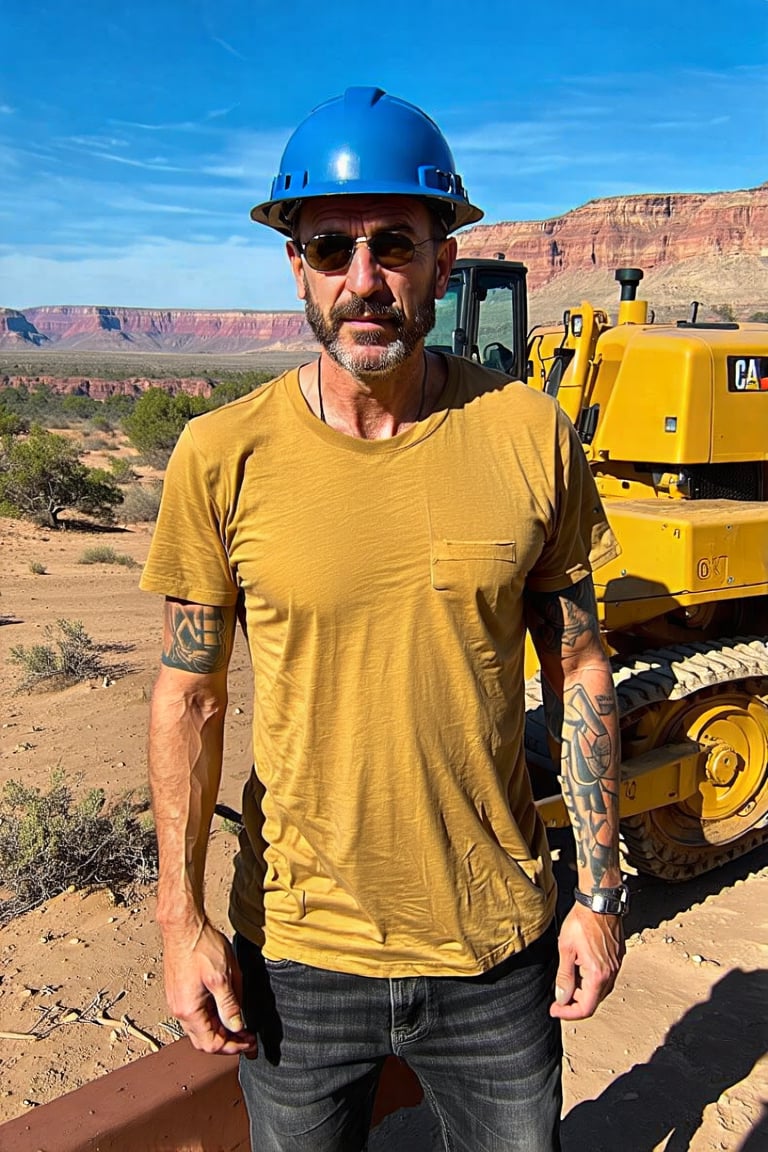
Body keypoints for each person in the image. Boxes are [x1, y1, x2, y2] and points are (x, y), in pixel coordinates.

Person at [141, 86, 626, 1152]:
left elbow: (580, 666)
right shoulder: (222, 457)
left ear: (445, 260)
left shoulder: (530, 437)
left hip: (497, 952)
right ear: (295, 266)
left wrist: (599, 890)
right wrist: (182, 922)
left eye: (394, 244)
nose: (364, 281)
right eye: (332, 248)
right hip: (300, 957)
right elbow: (190, 693)